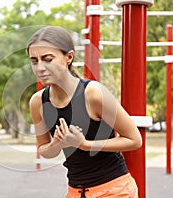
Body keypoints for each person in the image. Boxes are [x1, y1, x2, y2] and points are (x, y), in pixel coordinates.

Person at [27, 26, 142, 198]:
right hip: (76, 191)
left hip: (114, 189)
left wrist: (84, 144)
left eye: (48, 59)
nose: (40, 68)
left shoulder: (93, 94)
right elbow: (45, 150)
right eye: (34, 61)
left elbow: (134, 140)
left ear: (69, 57)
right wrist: (57, 143)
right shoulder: (38, 102)